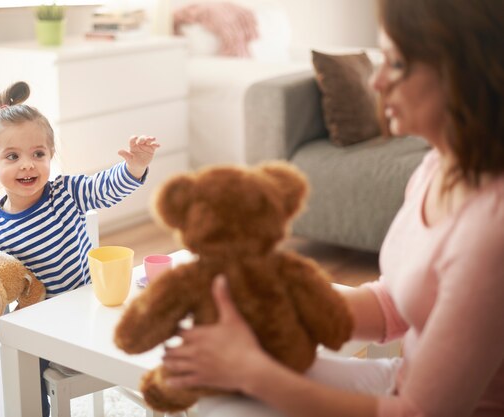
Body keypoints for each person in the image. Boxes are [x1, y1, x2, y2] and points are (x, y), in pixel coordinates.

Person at [162, 0, 504, 416]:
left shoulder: (491, 232)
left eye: (396, 64)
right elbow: (393, 306)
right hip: (401, 383)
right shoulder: (438, 165)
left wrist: (253, 371)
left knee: (236, 393)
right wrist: (269, 289)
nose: (376, 81)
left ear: (463, 73)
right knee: (214, 389)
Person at [0, 80, 159, 416]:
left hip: (91, 310)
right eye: (12, 156)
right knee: (23, 366)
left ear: (50, 155)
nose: (28, 164)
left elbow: (106, 188)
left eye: (38, 154)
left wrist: (135, 165)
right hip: (44, 326)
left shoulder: (67, 192)